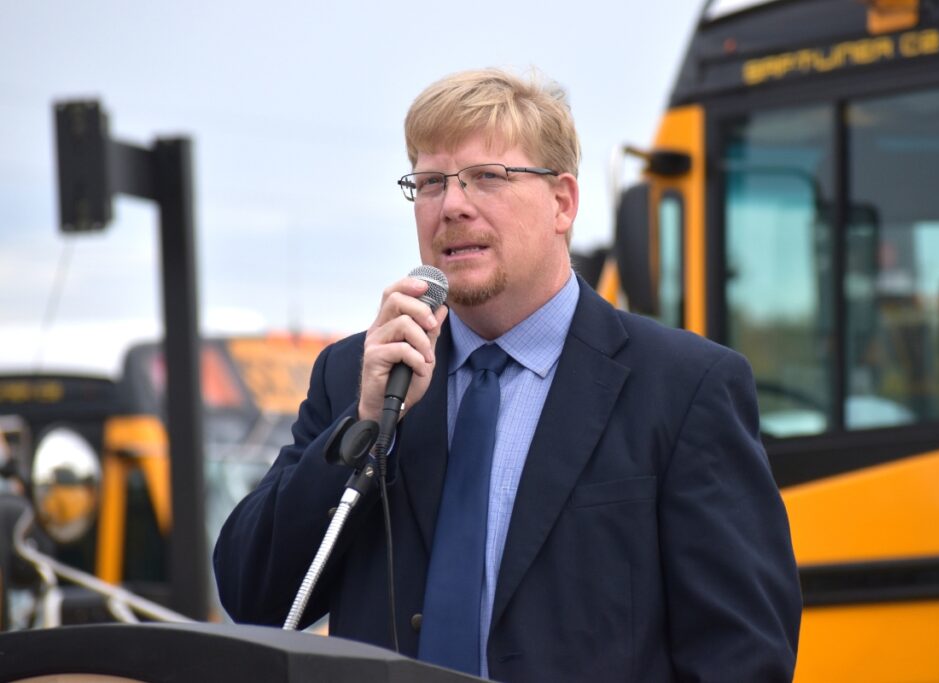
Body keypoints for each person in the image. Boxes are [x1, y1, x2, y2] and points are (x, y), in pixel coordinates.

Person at [213, 68, 802, 682]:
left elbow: (743, 657)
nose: (453, 206)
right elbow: (255, 596)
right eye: (431, 182)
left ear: (562, 203)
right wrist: (364, 422)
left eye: (487, 178)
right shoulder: (359, 375)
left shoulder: (684, 387)